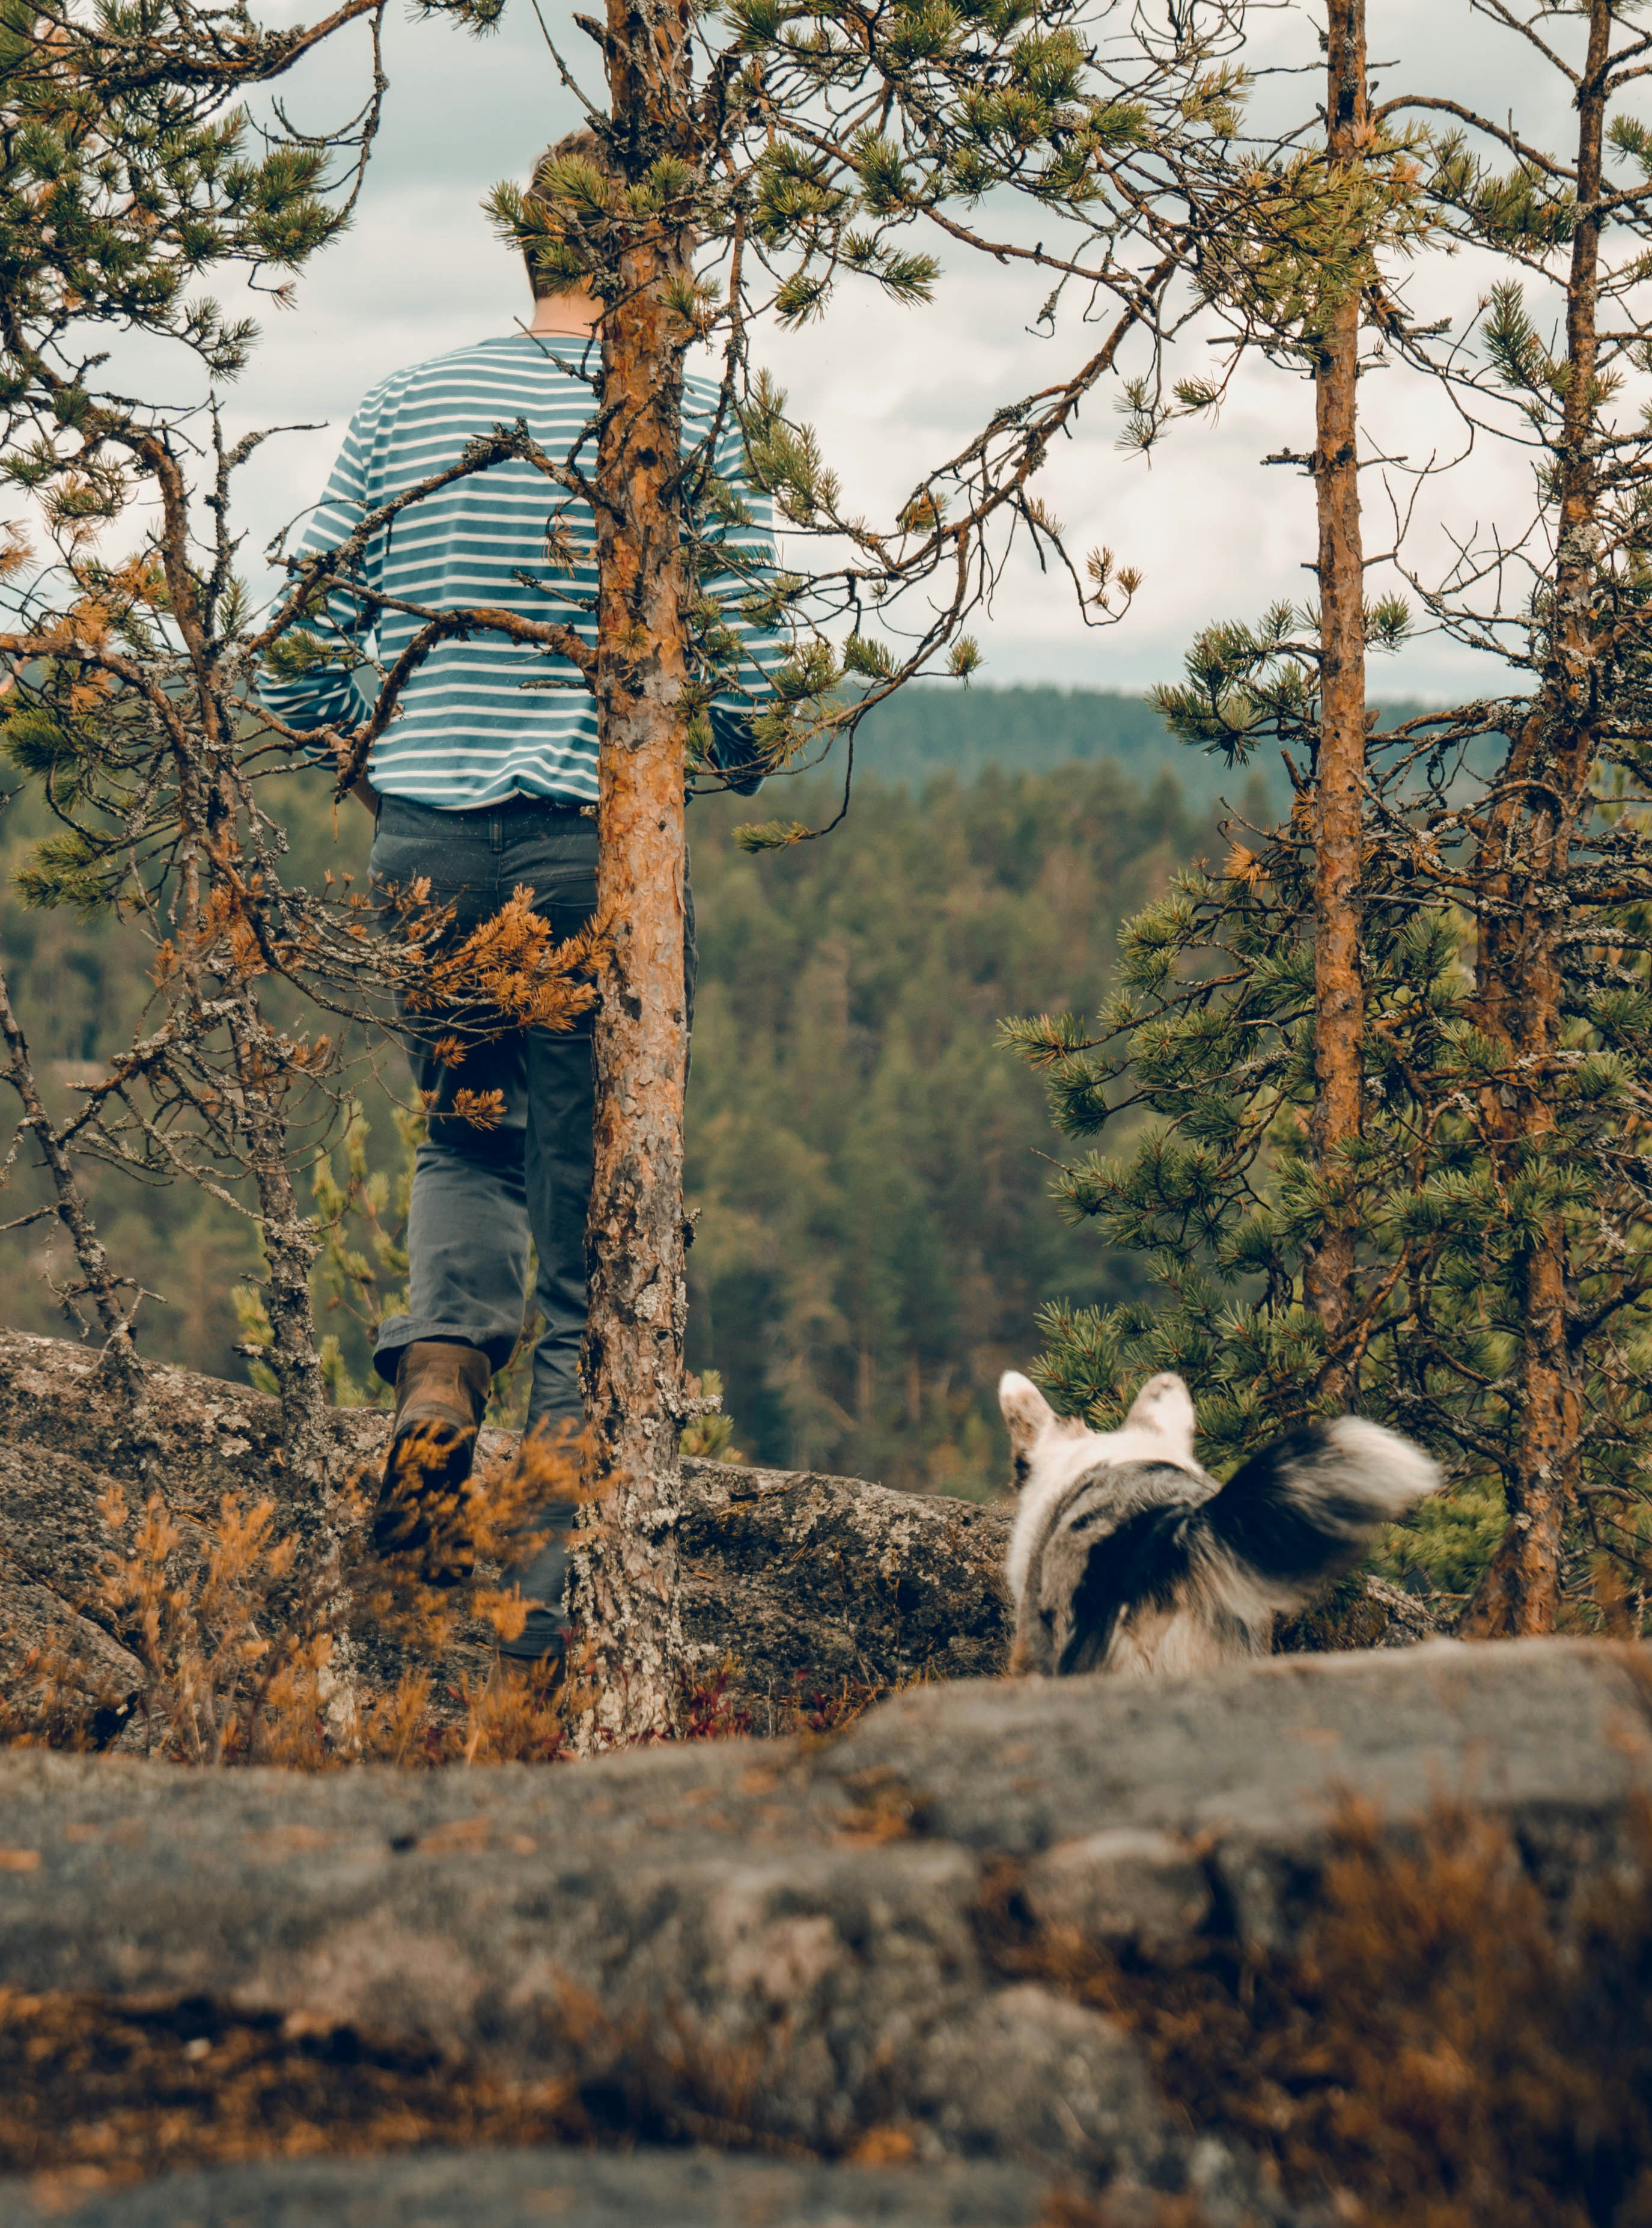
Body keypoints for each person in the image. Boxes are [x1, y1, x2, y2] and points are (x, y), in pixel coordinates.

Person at [261, 129, 779, 1662]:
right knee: (589, 1228)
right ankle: (537, 1613)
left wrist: (384, 749)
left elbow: (304, 644)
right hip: (587, 855)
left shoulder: (407, 403)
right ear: (649, 256)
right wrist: (721, 755)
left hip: (424, 842)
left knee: (460, 1129)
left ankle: (434, 1374)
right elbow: (741, 647)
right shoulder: (679, 418)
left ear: (525, 242)